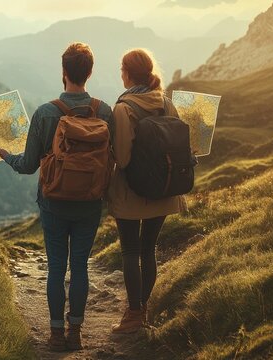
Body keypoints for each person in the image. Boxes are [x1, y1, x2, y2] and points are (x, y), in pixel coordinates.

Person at [0, 42, 113, 352]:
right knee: (81, 266)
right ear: (90, 72)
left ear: (63, 73)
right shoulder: (104, 111)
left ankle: (56, 334)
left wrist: (7, 156)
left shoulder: (46, 113)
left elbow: (29, 165)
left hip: (54, 202)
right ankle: (76, 332)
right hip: (89, 202)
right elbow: (112, 159)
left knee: (57, 267)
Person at [108, 48, 187, 334]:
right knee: (149, 248)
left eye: (121, 69)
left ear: (127, 74)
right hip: (164, 191)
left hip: (132, 193)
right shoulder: (167, 104)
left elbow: (124, 158)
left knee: (130, 249)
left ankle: (133, 314)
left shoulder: (124, 108)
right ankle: (144, 307)